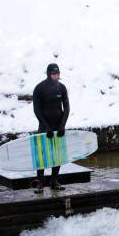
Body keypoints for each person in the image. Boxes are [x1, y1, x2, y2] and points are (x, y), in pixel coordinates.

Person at [32, 63, 70, 193]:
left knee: (57, 155)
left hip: (58, 127)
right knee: (42, 156)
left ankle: (54, 181)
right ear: (48, 74)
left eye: (58, 73)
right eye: (54, 74)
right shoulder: (39, 88)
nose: (56, 76)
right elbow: (36, 110)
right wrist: (46, 127)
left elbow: (67, 108)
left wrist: (62, 126)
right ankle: (40, 183)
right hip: (44, 128)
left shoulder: (62, 88)